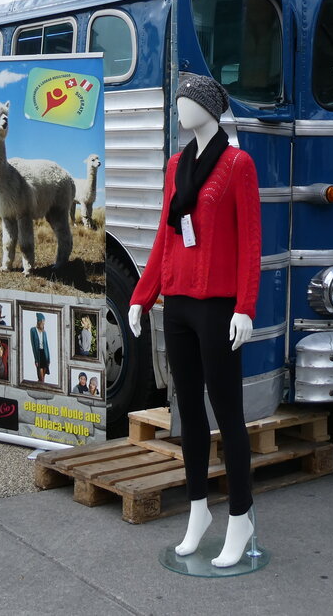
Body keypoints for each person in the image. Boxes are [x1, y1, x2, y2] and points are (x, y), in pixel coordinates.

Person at [128, 72, 261, 569]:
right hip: (178, 304)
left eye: (187, 101)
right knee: (189, 414)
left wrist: (245, 306)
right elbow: (166, 237)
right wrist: (143, 297)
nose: (179, 110)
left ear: (208, 108)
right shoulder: (176, 166)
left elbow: (251, 242)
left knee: (229, 414)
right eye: (180, 101)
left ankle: (241, 516)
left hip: (220, 306)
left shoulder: (237, 164)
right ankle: (199, 509)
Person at [29, 313, 50, 383]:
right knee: (40, 372)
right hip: (38, 353)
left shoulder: (44, 332)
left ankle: (41, 383)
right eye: (42, 321)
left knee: (43, 375)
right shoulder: (33, 330)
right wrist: (36, 360)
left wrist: (49, 358)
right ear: (39, 321)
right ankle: (41, 383)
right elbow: (33, 345)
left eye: (44, 322)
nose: (43, 323)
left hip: (45, 353)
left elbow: (47, 345)